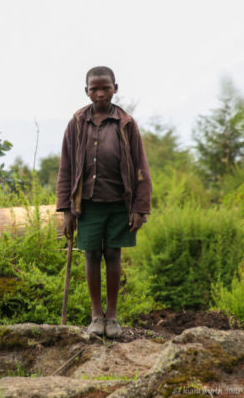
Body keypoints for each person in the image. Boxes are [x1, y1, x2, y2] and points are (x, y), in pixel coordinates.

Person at [56, 66, 152, 338]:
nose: (99, 94)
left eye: (105, 88)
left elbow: (141, 167)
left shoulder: (126, 123)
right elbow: (66, 168)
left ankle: (112, 317)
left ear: (115, 88)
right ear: (86, 91)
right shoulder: (76, 123)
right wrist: (66, 210)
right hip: (87, 204)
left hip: (119, 204)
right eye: (93, 89)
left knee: (113, 254)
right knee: (91, 255)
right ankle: (95, 316)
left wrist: (139, 208)